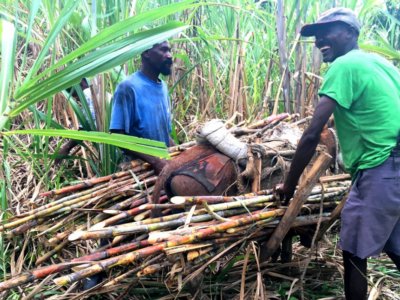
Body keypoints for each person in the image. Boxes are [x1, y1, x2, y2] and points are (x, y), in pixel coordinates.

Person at [277, 7, 400, 299]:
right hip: (396, 167)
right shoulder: (383, 65)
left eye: (326, 32)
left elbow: (310, 134)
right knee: (396, 244)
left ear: (351, 33)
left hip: (379, 168)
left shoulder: (344, 66)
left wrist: (290, 185)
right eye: (316, 37)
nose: (319, 42)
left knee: (353, 251)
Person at [109, 41, 174, 174]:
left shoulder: (163, 88)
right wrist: (155, 161)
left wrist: (181, 153)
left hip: (163, 166)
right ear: (146, 53)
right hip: (139, 170)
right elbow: (117, 136)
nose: (169, 56)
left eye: (170, 51)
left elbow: (165, 135)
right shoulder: (128, 87)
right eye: (163, 50)